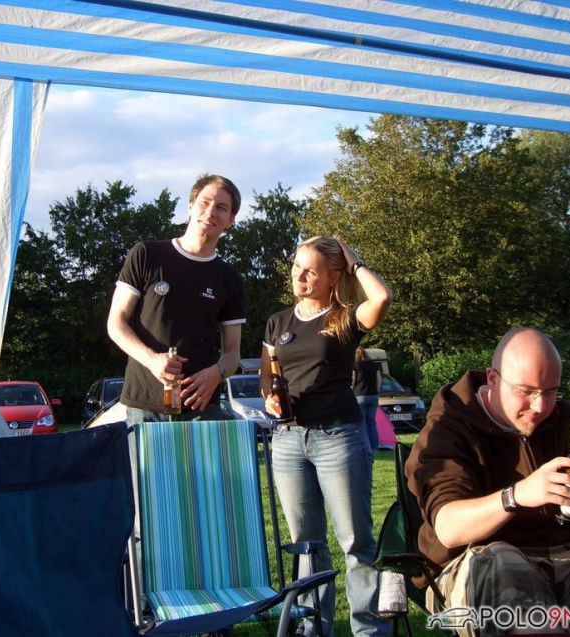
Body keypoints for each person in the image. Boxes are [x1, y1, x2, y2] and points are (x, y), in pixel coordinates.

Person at [406, 327, 570, 637]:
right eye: (526, 391)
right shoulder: (449, 427)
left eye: (551, 391)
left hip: (566, 556)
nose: (541, 406)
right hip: (473, 566)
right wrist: (516, 496)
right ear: (493, 379)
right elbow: (449, 529)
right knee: (499, 563)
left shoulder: (565, 420)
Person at [260, 236, 393, 637]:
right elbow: (268, 375)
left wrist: (355, 262)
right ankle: (314, 628)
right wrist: (269, 398)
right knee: (306, 544)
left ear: (333, 277)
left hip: (338, 438)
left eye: (310, 271)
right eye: (296, 266)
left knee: (355, 542)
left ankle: (369, 630)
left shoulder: (344, 317)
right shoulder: (278, 322)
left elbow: (382, 298)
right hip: (288, 441)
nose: (298, 275)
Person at [107, 174, 245, 423]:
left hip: (200, 408)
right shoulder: (147, 254)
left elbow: (232, 353)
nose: (210, 212)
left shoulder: (231, 279)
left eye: (221, 207)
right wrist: (152, 360)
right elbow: (116, 323)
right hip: (144, 404)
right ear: (191, 206)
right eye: (205, 202)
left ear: (230, 220)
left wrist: (217, 372)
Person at [353, 346, 382, 452]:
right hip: (373, 396)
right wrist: (376, 392)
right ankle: (374, 448)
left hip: (359, 396)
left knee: (362, 423)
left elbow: (352, 381)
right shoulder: (373, 365)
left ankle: (366, 447)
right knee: (372, 423)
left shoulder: (355, 365)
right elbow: (379, 380)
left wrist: (350, 392)